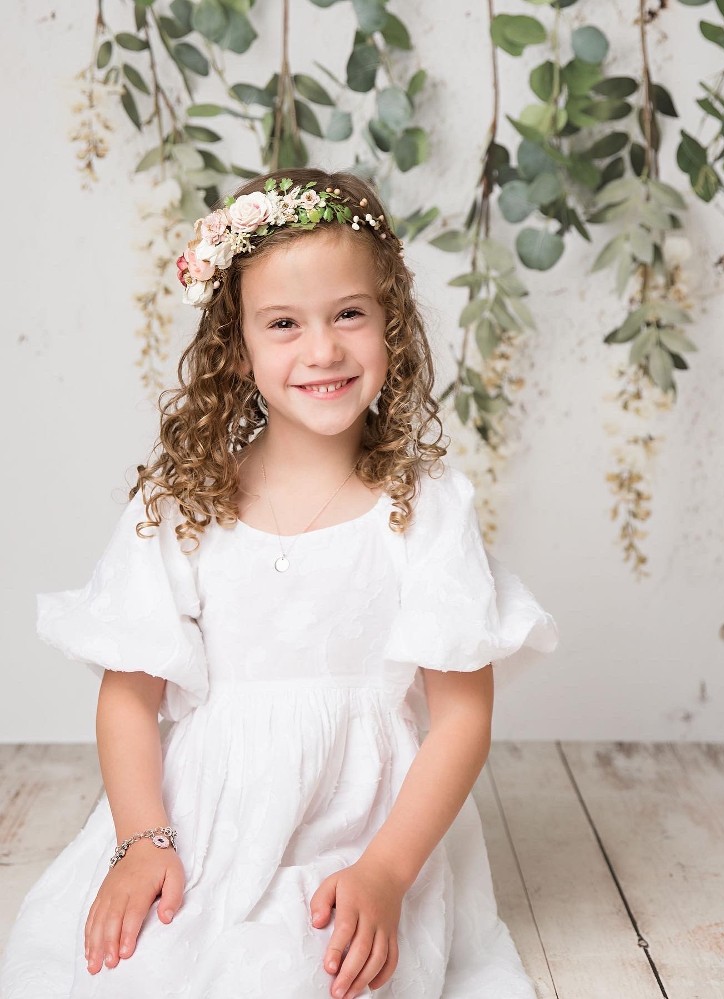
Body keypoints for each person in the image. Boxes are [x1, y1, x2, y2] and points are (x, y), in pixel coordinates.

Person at [1, 168, 558, 999]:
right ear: (238, 347)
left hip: (366, 830)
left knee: (314, 970)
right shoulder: (185, 504)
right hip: (206, 819)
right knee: (147, 967)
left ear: (391, 325)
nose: (323, 349)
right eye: (284, 323)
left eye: (349, 314)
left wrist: (386, 873)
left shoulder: (423, 507)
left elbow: (462, 718)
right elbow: (129, 695)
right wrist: (142, 838)